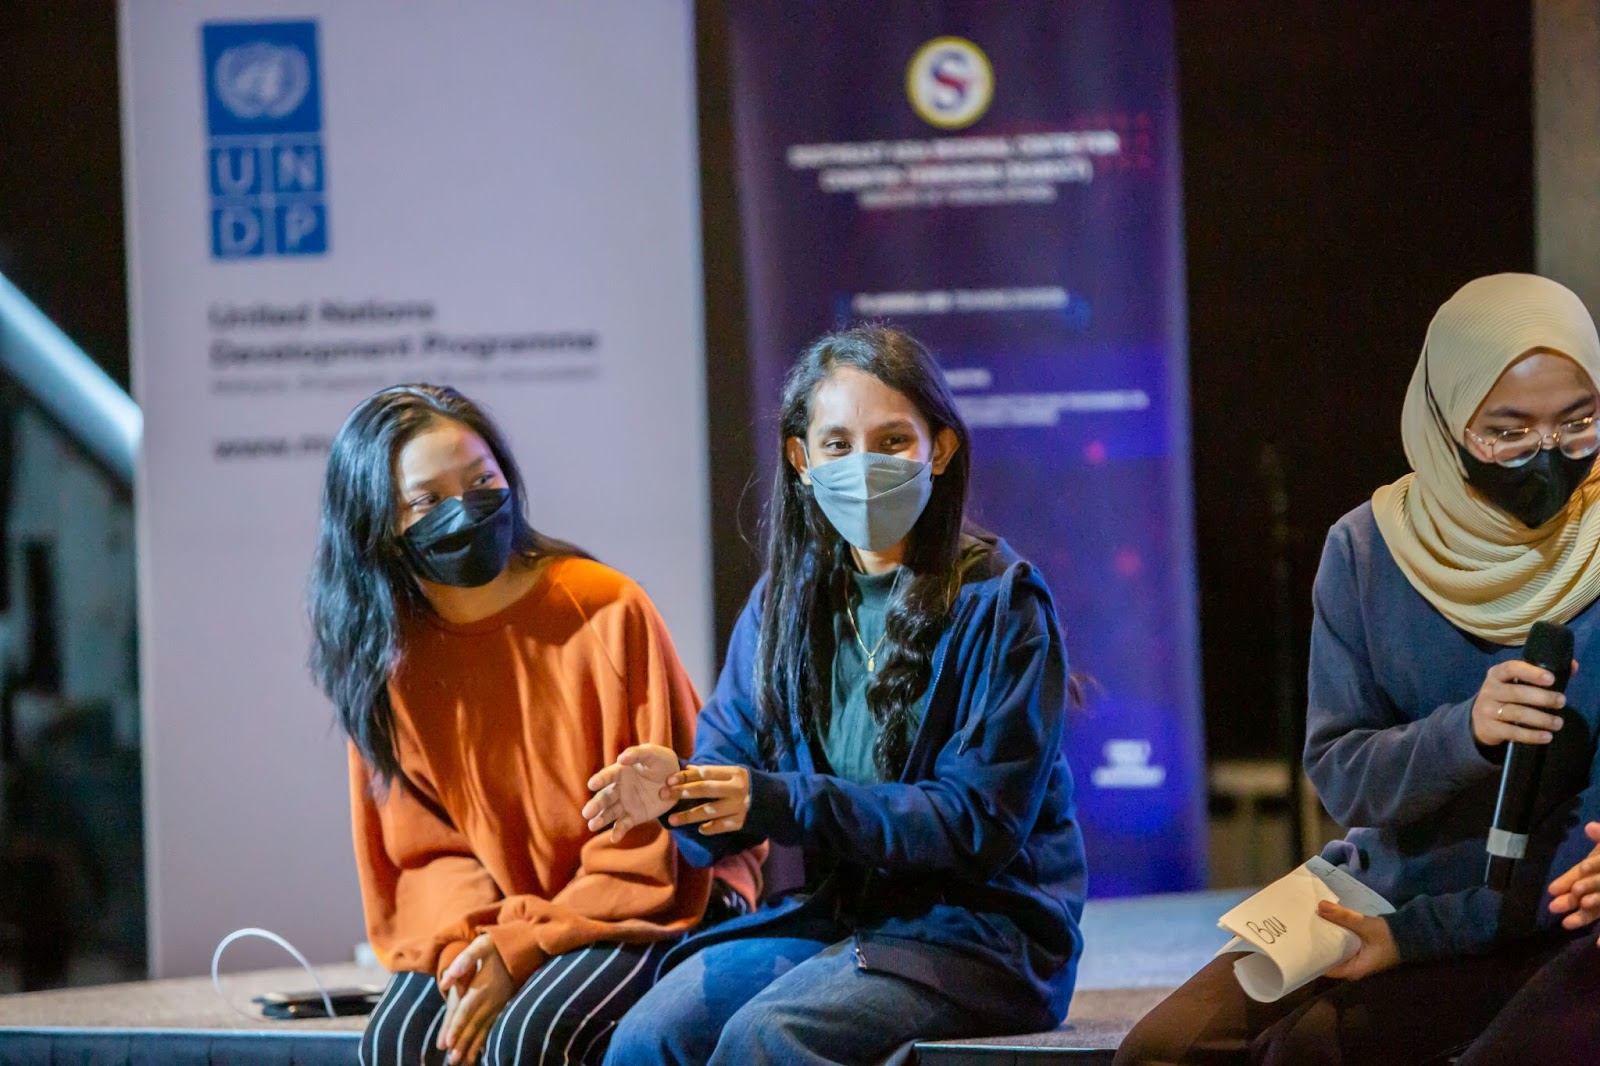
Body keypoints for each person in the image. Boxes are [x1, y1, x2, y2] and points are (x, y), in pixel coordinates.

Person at [1116, 273, 1600, 1065]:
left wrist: (1413, 937)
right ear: (1445, 420)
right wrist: (1464, 736)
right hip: (1379, 882)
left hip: (1527, 913)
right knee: (1165, 1048)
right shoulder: (1369, 550)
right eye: (1508, 432)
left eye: (1577, 424)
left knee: (1313, 1050)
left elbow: (1581, 846)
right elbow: (1342, 774)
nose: (1547, 455)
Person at [583, 325, 1088, 1066]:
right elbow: (725, 793)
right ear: (802, 460)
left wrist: (779, 800)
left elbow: (976, 823)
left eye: (892, 441)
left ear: (940, 450)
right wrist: (679, 794)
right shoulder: (783, 605)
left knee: (765, 1039)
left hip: (980, 934)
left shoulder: (1001, 603)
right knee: (649, 1035)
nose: (864, 466)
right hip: (841, 920)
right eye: (838, 445)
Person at [307, 384, 760, 1066]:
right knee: (399, 1044)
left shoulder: (605, 610)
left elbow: (652, 839)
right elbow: (424, 854)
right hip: (505, 917)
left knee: (528, 1038)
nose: (464, 508)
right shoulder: (388, 653)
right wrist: (476, 947)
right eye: (428, 500)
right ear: (378, 525)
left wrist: (519, 947)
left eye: (480, 481)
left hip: (650, 897)